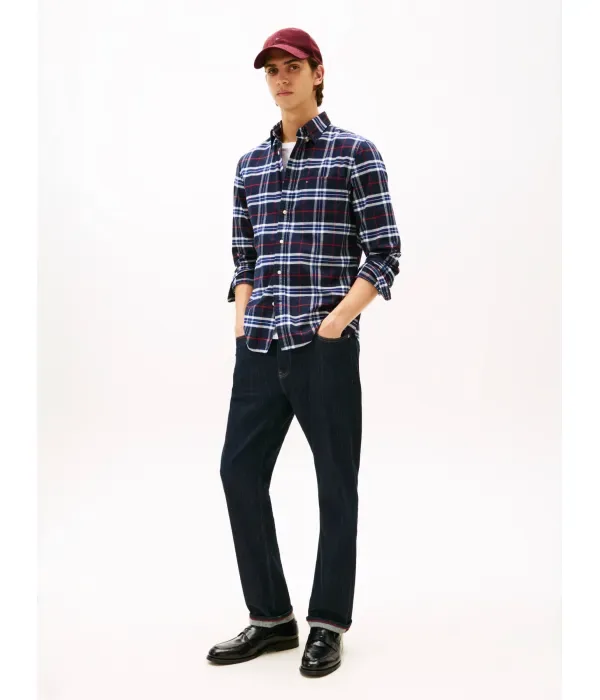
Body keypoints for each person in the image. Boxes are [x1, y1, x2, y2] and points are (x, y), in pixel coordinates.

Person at [206, 27, 401, 677]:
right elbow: (244, 259)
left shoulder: (355, 154)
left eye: (292, 66)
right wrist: (242, 327)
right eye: (271, 69)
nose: (281, 78)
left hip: (323, 349)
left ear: (318, 73)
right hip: (260, 345)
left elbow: (385, 253)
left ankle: (327, 624)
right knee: (239, 473)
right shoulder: (250, 166)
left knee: (335, 484)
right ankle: (271, 620)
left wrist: (335, 323)